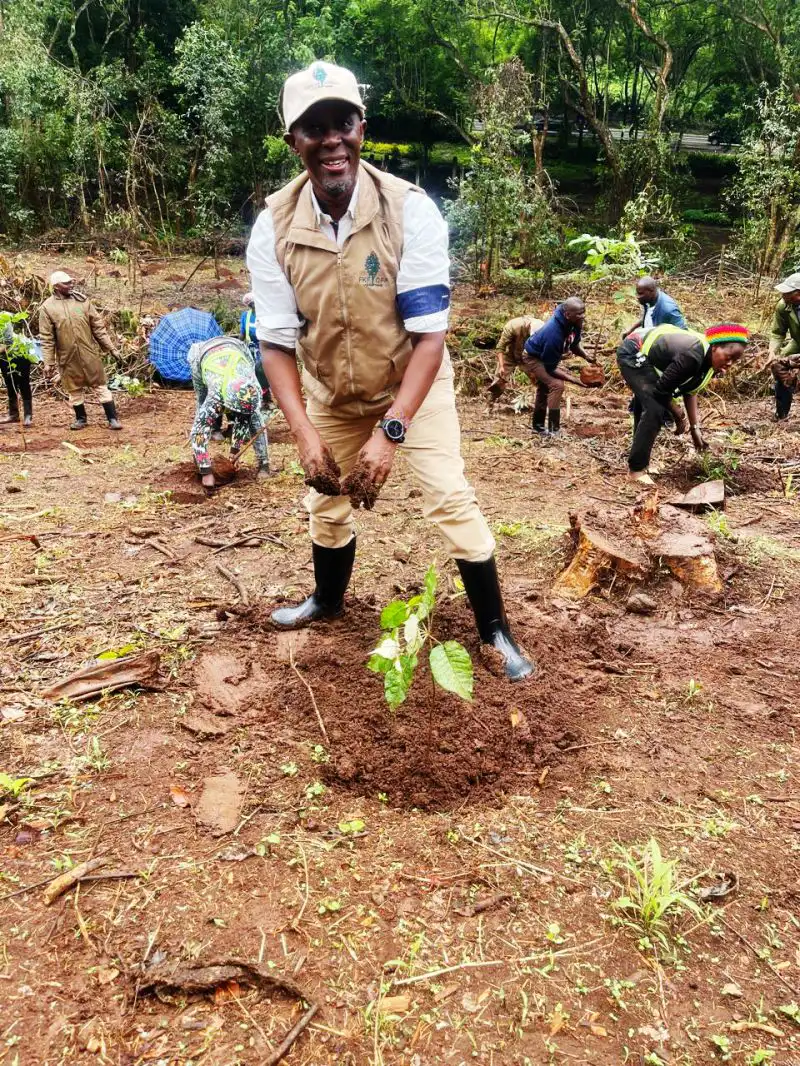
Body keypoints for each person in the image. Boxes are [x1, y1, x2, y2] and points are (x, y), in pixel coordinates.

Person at [246, 60, 533, 682]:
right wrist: (303, 432)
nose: (331, 140)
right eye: (313, 127)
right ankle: (326, 600)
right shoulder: (272, 226)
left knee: (450, 498)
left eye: (342, 123)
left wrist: (391, 431)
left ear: (361, 128)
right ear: (292, 139)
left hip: (413, 382)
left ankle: (495, 629)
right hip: (330, 387)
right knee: (325, 502)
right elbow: (275, 342)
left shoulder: (410, 212)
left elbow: (430, 337)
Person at [617, 323, 749, 485]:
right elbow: (661, 390)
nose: (730, 364)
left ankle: (640, 462)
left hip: (651, 357)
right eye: (728, 357)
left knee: (648, 404)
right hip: (634, 350)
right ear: (715, 347)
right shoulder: (692, 355)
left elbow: (691, 390)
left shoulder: (708, 361)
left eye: (735, 361)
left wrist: (695, 429)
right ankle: (636, 470)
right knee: (655, 408)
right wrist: (679, 416)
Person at [39, 270, 122, 430]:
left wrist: (111, 348)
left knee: (100, 385)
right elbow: (46, 338)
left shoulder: (82, 302)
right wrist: (48, 362)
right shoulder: (47, 308)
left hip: (88, 354)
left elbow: (98, 327)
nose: (71, 285)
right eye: (67, 283)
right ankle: (81, 419)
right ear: (56, 286)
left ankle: (113, 419)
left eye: (71, 282)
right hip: (67, 357)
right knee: (74, 389)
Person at [189, 337, 270, 490]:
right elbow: (199, 430)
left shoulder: (253, 386)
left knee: (254, 417)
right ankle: (201, 460)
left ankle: (264, 464)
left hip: (238, 350)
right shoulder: (216, 394)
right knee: (202, 408)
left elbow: (245, 418)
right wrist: (206, 471)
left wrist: (234, 451)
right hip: (201, 355)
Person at [522, 297, 598, 434]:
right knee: (556, 385)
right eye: (579, 314)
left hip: (544, 357)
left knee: (544, 387)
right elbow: (550, 368)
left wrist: (587, 357)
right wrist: (574, 380)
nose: (583, 316)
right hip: (532, 358)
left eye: (584, 312)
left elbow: (574, 345)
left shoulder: (574, 322)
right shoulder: (553, 333)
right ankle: (553, 429)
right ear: (567, 315)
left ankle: (538, 427)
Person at [769, 272, 800, 421]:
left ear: (798, 294)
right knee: (779, 365)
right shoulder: (783, 306)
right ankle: (781, 413)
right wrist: (773, 353)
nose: (783, 294)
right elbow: (777, 333)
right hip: (797, 341)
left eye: (787, 292)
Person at [0, 319, 33, 427]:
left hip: (19, 353)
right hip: (4, 357)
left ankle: (28, 415)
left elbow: (8, 342)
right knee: (9, 383)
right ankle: (13, 414)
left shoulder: (4, 318)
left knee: (23, 383)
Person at [240, 292, 271, 406]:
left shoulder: (265, 315)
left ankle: (266, 399)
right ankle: (253, 399)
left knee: (262, 373)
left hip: (264, 348)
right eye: (251, 304)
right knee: (250, 374)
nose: (253, 306)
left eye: (254, 303)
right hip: (250, 350)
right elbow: (242, 334)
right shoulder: (246, 316)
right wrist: (238, 345)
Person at [494, 314, 543, 385]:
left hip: (527, 356)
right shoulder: (512, 326)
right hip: (510, 354)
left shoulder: (542, 330)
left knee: (540, 380)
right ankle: (493, 393)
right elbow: (500, 348)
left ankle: (543, 394)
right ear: (529, 327)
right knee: (499, 378)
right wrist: (501, 366)